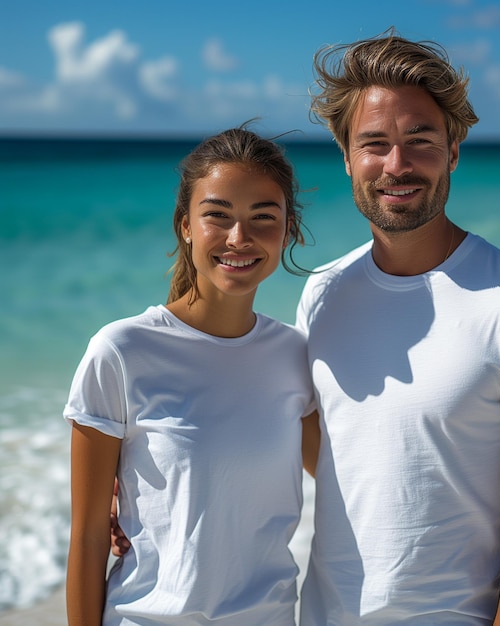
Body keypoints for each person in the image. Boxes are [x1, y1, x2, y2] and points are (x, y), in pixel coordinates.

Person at [294, 31, 500, 625]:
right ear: (345, 156)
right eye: (375, 144)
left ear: (454, 149)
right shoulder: (323, 292)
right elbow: (332, 446)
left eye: (420, 141)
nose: (397, 165)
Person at [64, 127, 318, 626]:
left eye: (262, 217)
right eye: (217, 216)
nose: (238, 238)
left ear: (288, 230)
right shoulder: (121, 351)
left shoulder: (295, 355)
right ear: (185, 226)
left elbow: (349, 477)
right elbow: (90, 536)